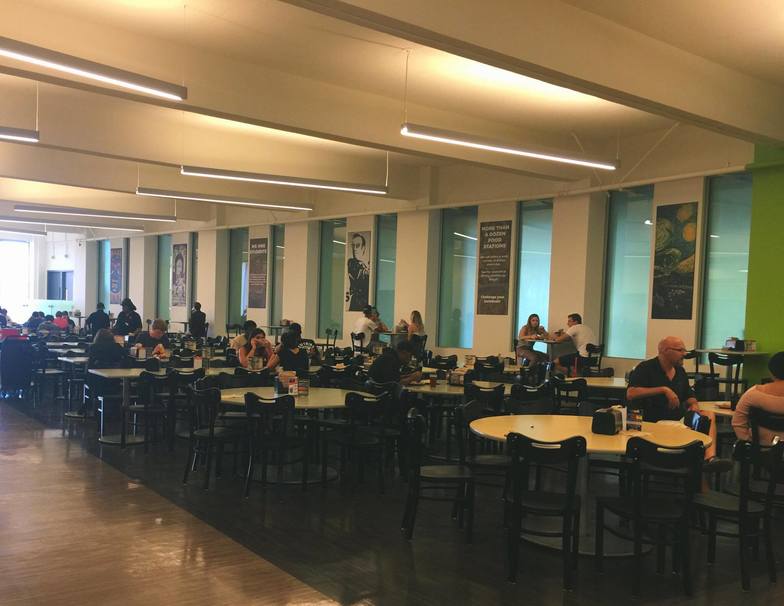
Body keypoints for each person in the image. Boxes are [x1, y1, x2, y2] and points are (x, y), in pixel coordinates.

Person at [627, 336, 724, 469]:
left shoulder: (680, 371)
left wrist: (694, 404)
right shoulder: (645, 368)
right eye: (680, 350)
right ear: (665, 351)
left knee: (708, 415)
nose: (684, 354)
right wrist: (663, 389)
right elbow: (631, 393)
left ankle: (710, 458)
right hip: (652, 421)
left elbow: (688, 395)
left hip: (677, 419)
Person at [733, 351, 784, 444]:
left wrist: (748, 442)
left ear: (771, 372)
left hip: (759, 448)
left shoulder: (753, 394)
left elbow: (737, 423)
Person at [346, 232, 370, 311]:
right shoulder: (351, 263)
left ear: (363, 248)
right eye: (353, 246)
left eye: (358, 245)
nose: (355, 248)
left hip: (366, 304)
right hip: (356, 304)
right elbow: (360, 274)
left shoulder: (365, 265)